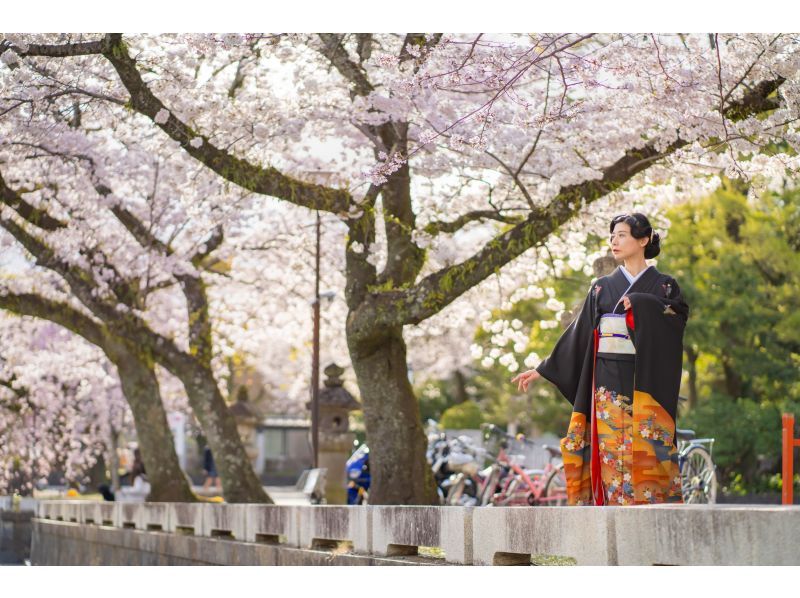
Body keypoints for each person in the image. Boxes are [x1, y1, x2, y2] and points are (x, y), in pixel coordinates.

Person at [511, 213, 689, 506]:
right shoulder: (601, 287)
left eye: (622, 235)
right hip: (608, 383)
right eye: (612, 236)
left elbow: (676, 318)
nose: (614, 241)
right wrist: (543, 369)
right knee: (613, 456)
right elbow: (579, 332)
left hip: (646, 382)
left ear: (643, 240)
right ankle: (616, 524)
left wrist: (642, 305)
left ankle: (651, 525)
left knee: (648, 454)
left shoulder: (664, 286)